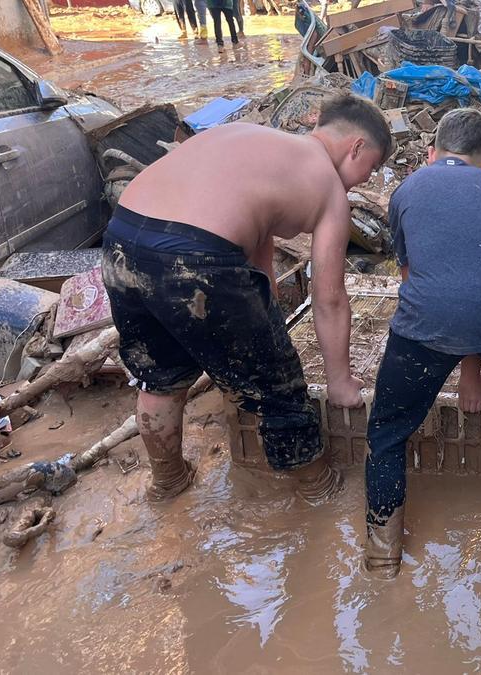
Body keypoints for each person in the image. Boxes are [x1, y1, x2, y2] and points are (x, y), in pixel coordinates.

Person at [102, 94, 392, 504]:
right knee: (279, 388)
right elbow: (328, 299)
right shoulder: (329, 189)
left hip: (123, 239)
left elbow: (256, 250)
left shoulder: (255, 141)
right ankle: (318, 489)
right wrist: (340, 383)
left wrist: (265, 313)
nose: (366, 179)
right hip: (195, 254)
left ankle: (168, 482)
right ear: (356, 147)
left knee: (160, 377)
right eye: (372, 167)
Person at [364, 109, 481, 579]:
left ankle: (383, 556)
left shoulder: (406, 190)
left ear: (430, 153)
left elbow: (418, 281)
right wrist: (471, 371)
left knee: (386, 432)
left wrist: (461, 366)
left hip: (432, 319)